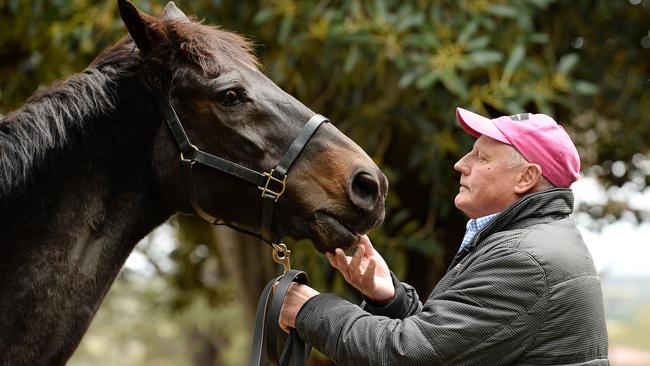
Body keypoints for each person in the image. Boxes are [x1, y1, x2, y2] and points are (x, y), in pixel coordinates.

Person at [279, 107, 609, 365]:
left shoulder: (525, 259)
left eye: (481, 157)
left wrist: (311, 310)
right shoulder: (535, 241)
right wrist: (390, 299)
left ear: (526, 178)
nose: (460, 164)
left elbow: (409, 356)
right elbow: (457, 349)